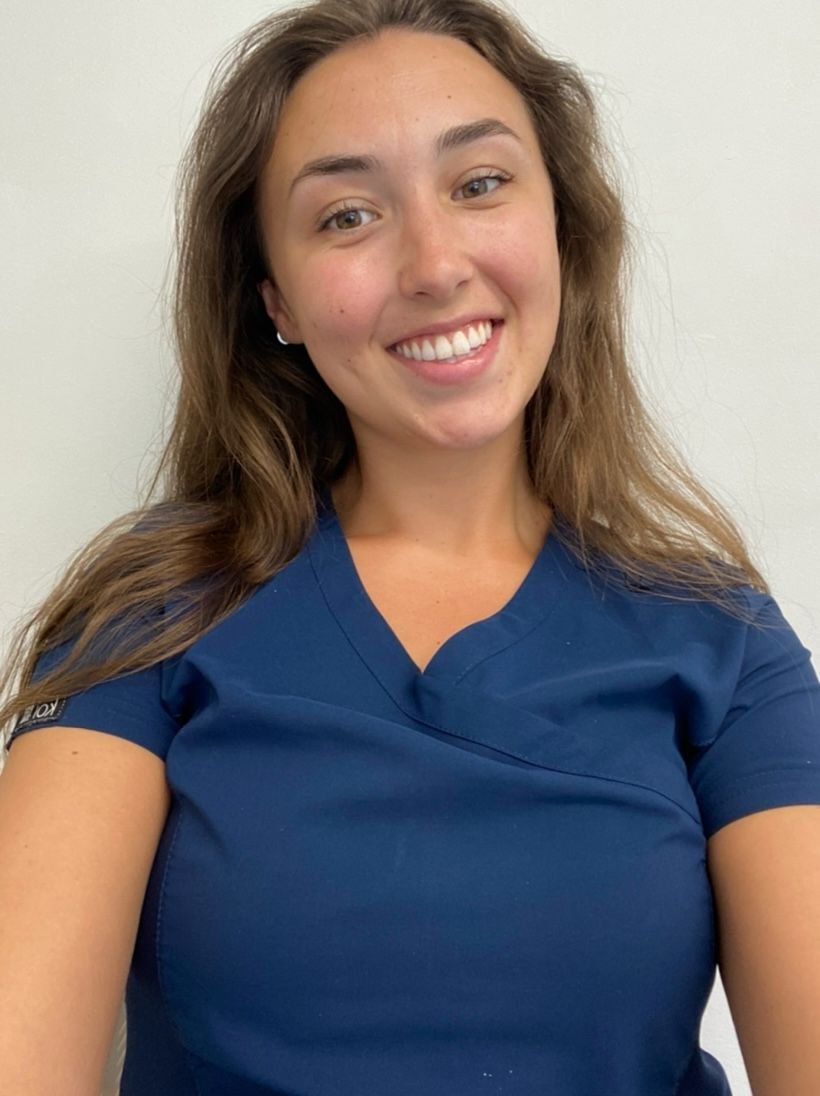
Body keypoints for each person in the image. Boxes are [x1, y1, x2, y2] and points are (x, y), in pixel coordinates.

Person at [1, 0, 818, 1092]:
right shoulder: (149, 616)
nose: (434, 264)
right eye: (347, 215)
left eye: (479, 183)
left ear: (563, 229)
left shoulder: (724, 644)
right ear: (276, 300)